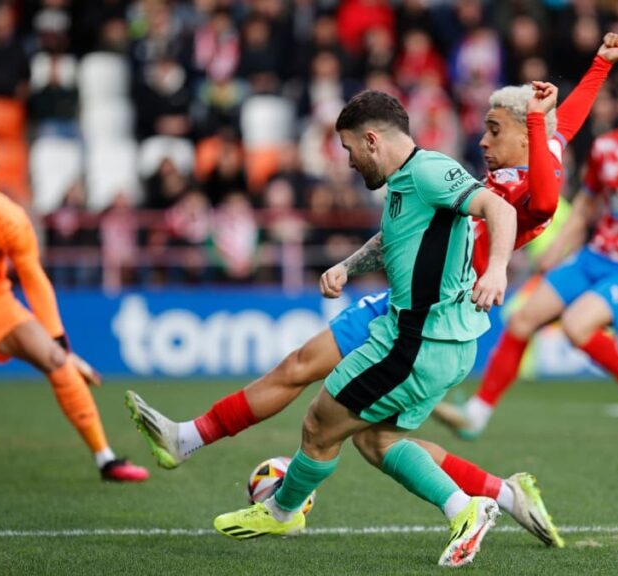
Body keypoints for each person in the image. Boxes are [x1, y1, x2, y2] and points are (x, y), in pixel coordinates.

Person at [126, 33, 618, 547]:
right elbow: (562, 123)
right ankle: (186, 438)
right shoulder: (514, 156)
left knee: (364, 433)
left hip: (437, 309)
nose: (482, 141)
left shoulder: (524, 185)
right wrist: (599, 64)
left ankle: (304, 506)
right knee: (302, 368)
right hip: (400, 299)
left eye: (493, 130)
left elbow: (542, 198)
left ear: (524, 135)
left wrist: (497, 266)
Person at [211, 90, 517, 567]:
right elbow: (393, 238)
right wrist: (349, 266)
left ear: (372, 140)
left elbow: (502, 210)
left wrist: (496, 270)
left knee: (318, 423)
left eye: (351, 149)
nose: (350, 161)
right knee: (377, 440)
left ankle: (283, 510)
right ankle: (465, 508)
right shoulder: (403, 182)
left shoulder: (430, 171)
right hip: (438, 343)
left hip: (416, 342)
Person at [434, 71, 618, 441]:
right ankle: (477, 414)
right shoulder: (606, 149)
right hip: (594, 256)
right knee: (522, 320)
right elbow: (585, 207)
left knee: (578, 326)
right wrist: (559, 248)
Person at [0, 142, 148, 482]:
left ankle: (107, 460)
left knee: (57, 362)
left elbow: (34, 279)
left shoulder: (9, 218)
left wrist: (62, 347)